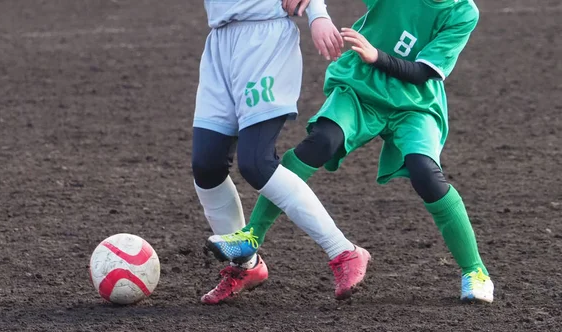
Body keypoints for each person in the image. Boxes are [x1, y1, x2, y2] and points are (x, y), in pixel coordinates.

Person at [206, 0, 495, 303]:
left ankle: (474, 271)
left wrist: (377, 56)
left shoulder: (463, 12)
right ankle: (250, 236)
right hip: (359, 89)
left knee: (426, 173)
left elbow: (422, 72)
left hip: (415, 104)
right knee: (321, 143)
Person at [193, 0, 371, 305]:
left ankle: (344, 252)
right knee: (206, 166)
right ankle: (245, 266)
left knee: (256, 162)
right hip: (221, 42)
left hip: (264, 41)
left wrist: (318, 13)